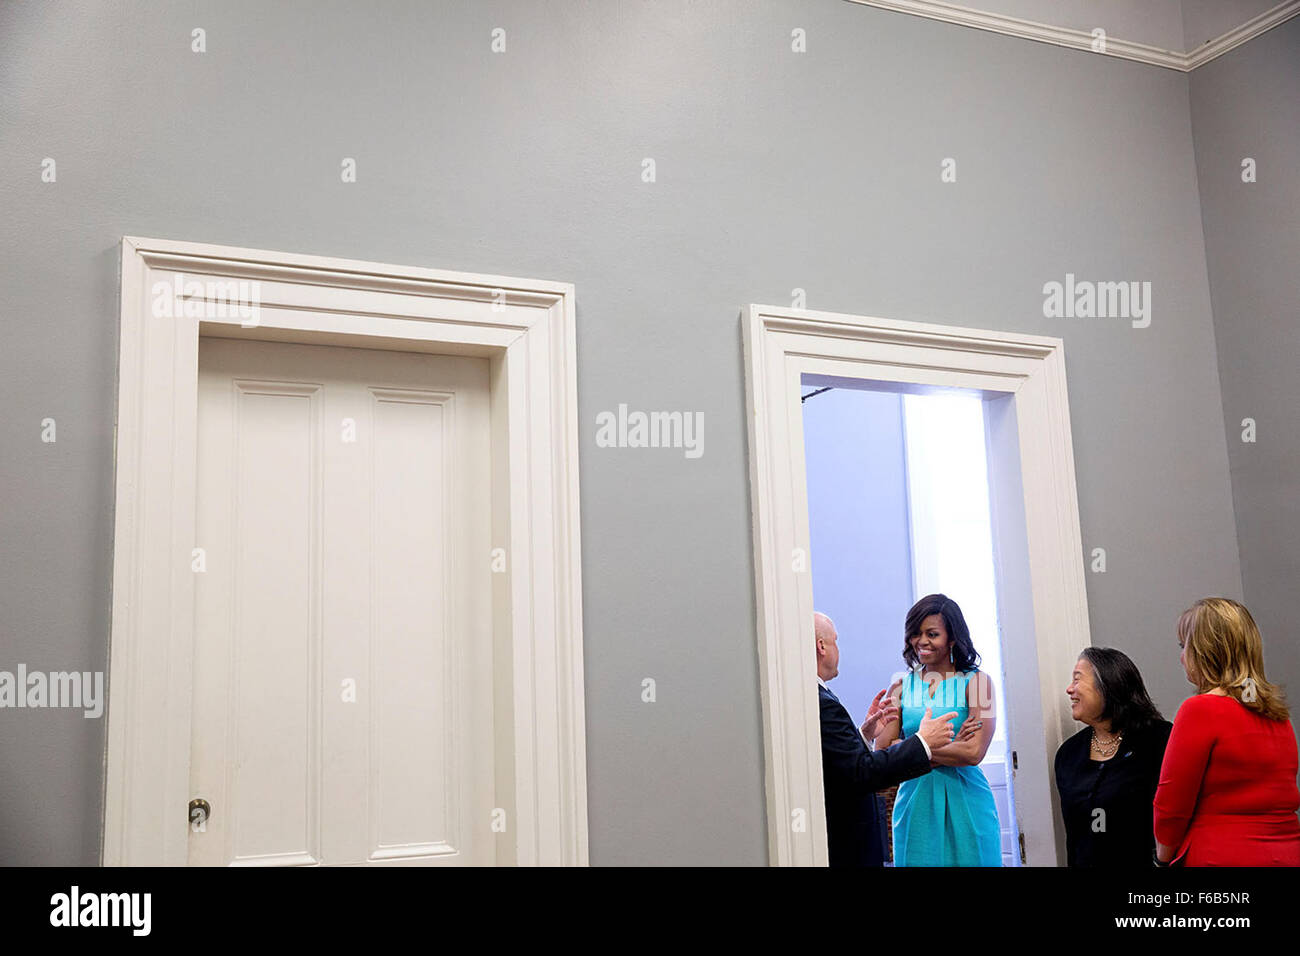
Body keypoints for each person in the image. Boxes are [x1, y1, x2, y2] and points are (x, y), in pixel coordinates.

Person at [1153, 598, 1300, 866]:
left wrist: (1161, 859)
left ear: (1205, 651)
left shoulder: (1199, 710)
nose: (1181, 655)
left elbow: (1171, 807)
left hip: (1220, 856)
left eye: (1184, 645)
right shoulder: (1278, 715)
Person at [815, 611, 959, 867]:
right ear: (822, 646)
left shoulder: (822, 698)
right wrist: (923, 741)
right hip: (849, 845)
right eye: (836, 640)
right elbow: (863, 772)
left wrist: (863, 736)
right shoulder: (823, 703)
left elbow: (839, 763)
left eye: (933, 633)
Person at [874, 594, 1002, 866]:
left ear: (953, 638)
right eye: (915, 633)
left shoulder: (979, 683)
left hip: (967, 801)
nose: (922, 641)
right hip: (915, 802)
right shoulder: (900, 686)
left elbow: (974, 752)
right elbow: (883, 750)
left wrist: (910, 747)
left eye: (932, 634)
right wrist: (944, 746)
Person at [1055, 647, 1172, 866]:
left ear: (1107, 685)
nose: (1069, 689)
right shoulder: (1068, 754)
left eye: (1077, 680)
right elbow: (1074, 837)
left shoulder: (1160, 739)